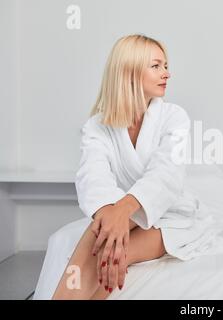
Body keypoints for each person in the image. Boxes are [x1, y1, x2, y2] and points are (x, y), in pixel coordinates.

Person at [51, 34, 195, 299]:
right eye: (156, 66)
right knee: (104, 241)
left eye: (165, 65)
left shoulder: (174, 118)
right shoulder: (97, 125)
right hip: (120, 213)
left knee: (109, 257)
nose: (167, 73)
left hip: (168, 216)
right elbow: (92, 177)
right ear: (129, 71)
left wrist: (121, 211)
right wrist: (112, 216)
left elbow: (166, 174)